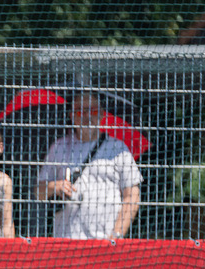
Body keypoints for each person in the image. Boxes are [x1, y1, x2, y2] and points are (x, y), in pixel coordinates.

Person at [35, 94, 142, 240]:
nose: (87, 116)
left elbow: (132, 195)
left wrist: (116, 235)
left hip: (105, 241)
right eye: (80, 111)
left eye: (93, 111)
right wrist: (55, 186)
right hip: (66, 240)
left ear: (102, 115)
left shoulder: (117, 149)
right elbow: (38, 192)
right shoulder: (59, 147)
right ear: (71, 115)